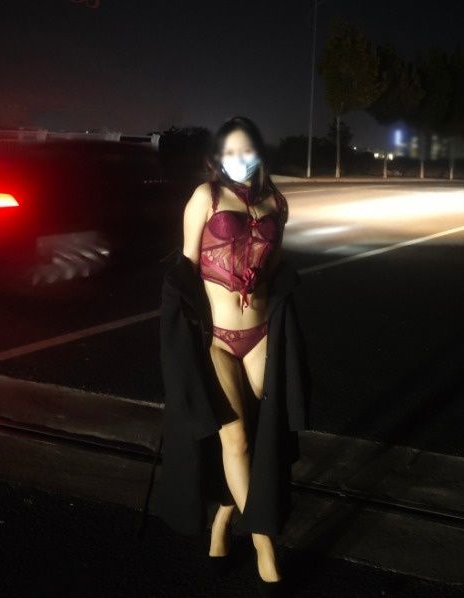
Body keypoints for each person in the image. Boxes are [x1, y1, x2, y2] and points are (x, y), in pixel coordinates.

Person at [148, 115, 311, 593]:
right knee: (235, 440)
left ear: (259, 152)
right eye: (231, 151)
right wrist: (177, 340)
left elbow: (275, 268)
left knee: (266, 437)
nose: (240, 159)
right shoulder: (207, 196)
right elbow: (187, 268)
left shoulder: (276, 202)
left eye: (248, 150)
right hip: (217, 339)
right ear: (218, 156)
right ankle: (263, 543)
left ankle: (223, 520)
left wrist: (270, 289)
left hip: (262, 335)